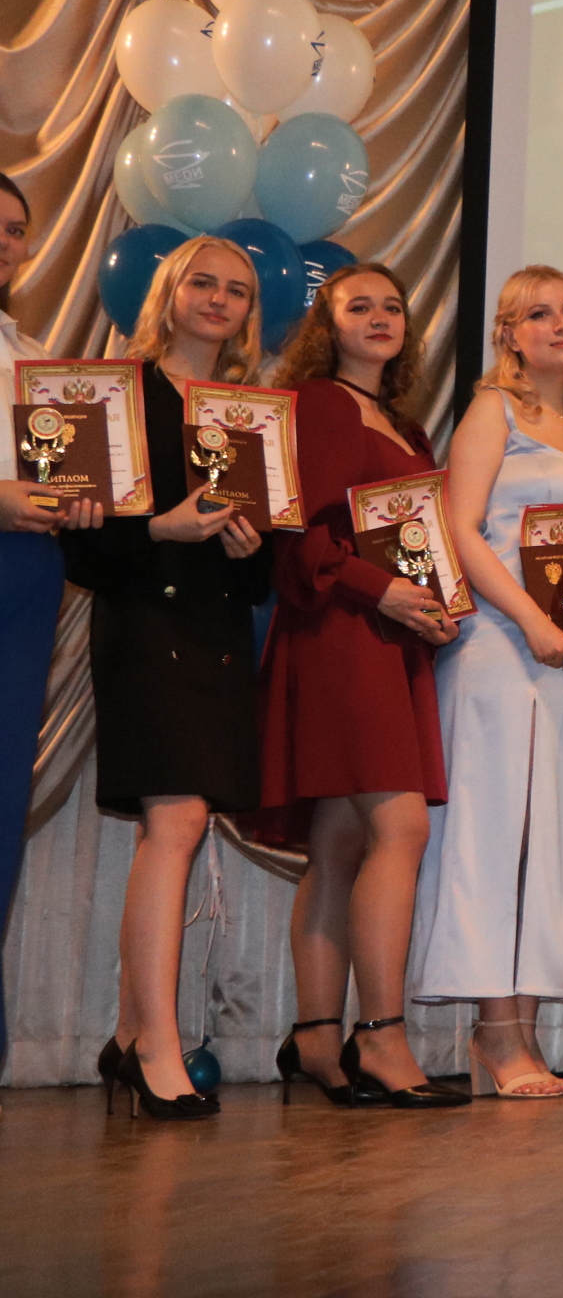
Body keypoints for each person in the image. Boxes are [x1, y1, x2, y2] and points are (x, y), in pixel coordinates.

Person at [61, 237, 268, 1120]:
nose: (218, 299)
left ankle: (126, 1034)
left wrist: (251, 547)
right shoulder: (115, 395)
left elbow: (264, 571)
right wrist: (158, 528)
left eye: (237, 290)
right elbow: (79, 542)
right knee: (176, 821)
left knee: (177, 824)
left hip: (217, 633)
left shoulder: (250, 413)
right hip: (145, 623)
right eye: (203, 283)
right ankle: (156, 1046)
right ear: (168, 293)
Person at [256, 263, 468, 1109]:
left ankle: (316, 1037)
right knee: (401, 828)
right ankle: (379, 1037)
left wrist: (436, 607)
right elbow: (300, 537)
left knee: (340, 843)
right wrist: (384, 592)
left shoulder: (404, 424)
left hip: (388, 636)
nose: (380, 318)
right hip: (342, 634)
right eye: (359, 306)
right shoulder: (320, 402)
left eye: (392, 306)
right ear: (328, 324)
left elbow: (415, 541)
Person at [409, 267, 563, 1098]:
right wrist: (531, 620)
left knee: (552, 839)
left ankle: (522, 1031)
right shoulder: (491, 411)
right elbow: (460, 530)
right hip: (498, 649)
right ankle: (495, 1032)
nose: (560, 324)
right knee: (494, 833)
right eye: (539, 314)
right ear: (509, 334)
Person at [0, 172, 105, 1083]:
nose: (6, 242)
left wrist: (78, 504)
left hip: (28, 577)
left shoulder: (32, 358)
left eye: (15, 229)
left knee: (1, 801)